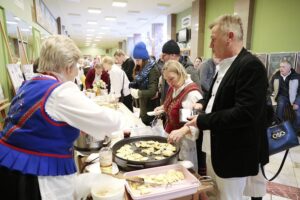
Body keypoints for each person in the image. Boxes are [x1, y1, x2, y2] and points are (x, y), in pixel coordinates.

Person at [0, 35, 124, 200]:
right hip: (36, 174)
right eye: (76, 68)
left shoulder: (30, 84)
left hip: (11, 167)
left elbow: (42, 124)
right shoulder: (59, 92)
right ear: (67, 67)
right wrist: (122, 119)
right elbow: (108, 121)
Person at [170, 14, 269, 200]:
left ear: (229, 37)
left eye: (213, 39)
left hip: (234, 153)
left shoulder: (250, 66)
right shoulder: (224, 66)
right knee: (215, 195)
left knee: (228, 197)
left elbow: (245, 113)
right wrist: (202, 104)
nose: (210, 45)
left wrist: (202, 120)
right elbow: (216, 97)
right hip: (215, 147)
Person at [154, 60, 202, 171]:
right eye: (167, 80)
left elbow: (192, 123)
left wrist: (181, 131)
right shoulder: (174, 87)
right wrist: (162, 108)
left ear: (180, 73)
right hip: (172, 137)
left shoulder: (190, 94)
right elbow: (172, 104)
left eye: (171, 79)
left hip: (185, 144)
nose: (170, 83)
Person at [129, 42, 160, 125]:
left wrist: (138, 93)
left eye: (138, 60)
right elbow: (141, 83)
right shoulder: (143, 67)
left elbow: (152, 91)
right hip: (144, 105)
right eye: (136, 60)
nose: (137, 62)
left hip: (151, 107)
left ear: (144, 58)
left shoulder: (152, 69)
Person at [270, 60, 300, 131]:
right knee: (280, 105)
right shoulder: (276, 76)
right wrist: (271, 96)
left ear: (289, 68)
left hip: (295, 97)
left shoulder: (297, 77)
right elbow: (271, 87)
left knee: (298, 114)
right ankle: (279, 127)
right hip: (282, 96)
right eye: (280, 66)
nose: (281, 68)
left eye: (283, 67)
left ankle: (293, 130)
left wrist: (297, 102)